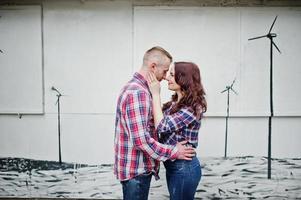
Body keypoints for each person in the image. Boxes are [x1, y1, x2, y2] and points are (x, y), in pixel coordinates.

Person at [114, 47, 195, 200]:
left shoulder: (136, 89)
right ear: (153, 67)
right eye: (165, 71)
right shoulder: (138, 93)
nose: (166, 77)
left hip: (135, 171)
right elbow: (141, 141)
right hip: (136, 173)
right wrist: (174, 151)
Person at [147, 61, 207, 200]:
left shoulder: (193, 108)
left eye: (172, 75)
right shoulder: (175, 103)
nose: (167, 77)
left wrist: (155, 94)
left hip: (184, 168)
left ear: (184, 79)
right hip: (174, 165)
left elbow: (161, 126)